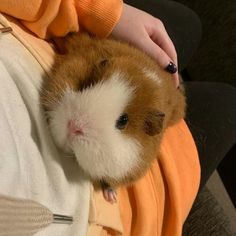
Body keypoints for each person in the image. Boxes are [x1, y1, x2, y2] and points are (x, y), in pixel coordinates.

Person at [0, 0, 234, 235]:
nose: (76, 127)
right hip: (135, 198)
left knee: (186, 23)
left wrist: (100, 11)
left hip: (40, 39)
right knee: (227, 103)